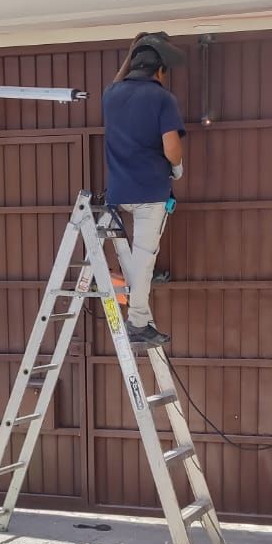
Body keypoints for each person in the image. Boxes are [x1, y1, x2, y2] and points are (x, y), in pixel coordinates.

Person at [102, 32, 186, 348]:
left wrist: (131, 50)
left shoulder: (111, 95)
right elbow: (172, 149)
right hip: (151, 192)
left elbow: (116, 81)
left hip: (120, 194)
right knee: (145, 256)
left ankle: (143, 296)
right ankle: (138, 323)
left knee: (138, 260)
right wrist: (177, 169)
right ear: (160, 71)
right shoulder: (163, 98)